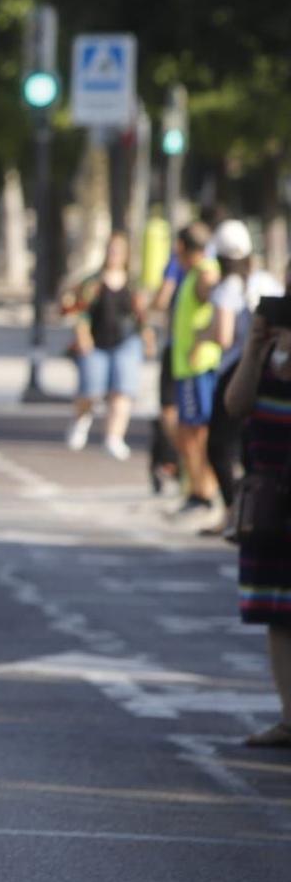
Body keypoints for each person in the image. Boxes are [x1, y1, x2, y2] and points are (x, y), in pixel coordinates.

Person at [223, 301, 291, 749]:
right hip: (270, 499)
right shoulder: (267, 351)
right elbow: (235, 404)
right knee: (278, 614)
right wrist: (253, 347)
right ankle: (290, 719)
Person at [204, 220, 283, 534]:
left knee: (220, 447)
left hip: (240, 369)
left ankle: (236, 511)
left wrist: (201, 333)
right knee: (255, 448)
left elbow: (223, 336)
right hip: (273, 371)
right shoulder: (266, 281)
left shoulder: (229, 288)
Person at [60, 229, 152, 461]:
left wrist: (147, 337)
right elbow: (76, 310)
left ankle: (114, 436)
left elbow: (141, 315)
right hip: (96, 341)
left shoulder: (132, 284)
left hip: (125, 342)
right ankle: (81, 419)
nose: (114, 254)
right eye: (111, 249)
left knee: (123, 389)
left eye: (119, 250)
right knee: (91, 389)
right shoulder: (93, 283)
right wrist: (82, 334)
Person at [168, 221, 224, 521]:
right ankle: (198, 487)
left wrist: (202, 337)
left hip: (197, 365)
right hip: (188, 366)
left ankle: (203, 490)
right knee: (188, 430)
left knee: (196, 431)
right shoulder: (195, 272)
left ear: (183, 248)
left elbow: (219, 304)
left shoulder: (205, 272)